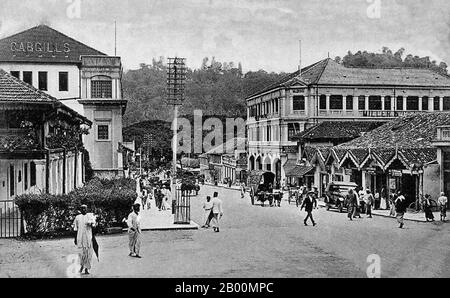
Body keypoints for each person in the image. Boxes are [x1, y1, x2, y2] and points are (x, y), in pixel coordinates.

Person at [73, 204, 97, 275]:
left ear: (87, 209)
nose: (83, 210)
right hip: (80, 237)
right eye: (82, 209)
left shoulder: (90, 216)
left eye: (85, 208)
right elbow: (75, 228)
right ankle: (82, 266)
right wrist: (75, 238)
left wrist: (92, 224)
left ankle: (87, 268)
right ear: (80, 210)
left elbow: (94, 227)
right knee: (81, 253)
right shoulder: (77, 217)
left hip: (88, 237)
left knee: (88, 253)